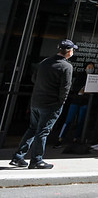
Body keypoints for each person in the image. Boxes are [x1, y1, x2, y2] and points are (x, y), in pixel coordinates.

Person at [9, 39, 76, 169]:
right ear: (68, 51)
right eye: (72, 50)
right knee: (42, 131)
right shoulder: (66, 67)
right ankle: (36, 160)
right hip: (51, 104)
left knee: (33, 128)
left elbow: (34, 78)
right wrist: (61, 102)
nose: (73, 52)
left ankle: (18, 157)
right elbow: (65, 87)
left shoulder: (44, 62)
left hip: (36, 101)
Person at [54, 60, 92, 147]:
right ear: (85, 68)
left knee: (81, 121)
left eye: (92, 68)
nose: (90, 69)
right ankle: (60, 138)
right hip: (76, 101)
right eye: (89, 67)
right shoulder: (81, 76)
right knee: (68, 120)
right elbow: (75, 87)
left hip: (85, 102)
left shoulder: (92, 77)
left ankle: (76, 138)